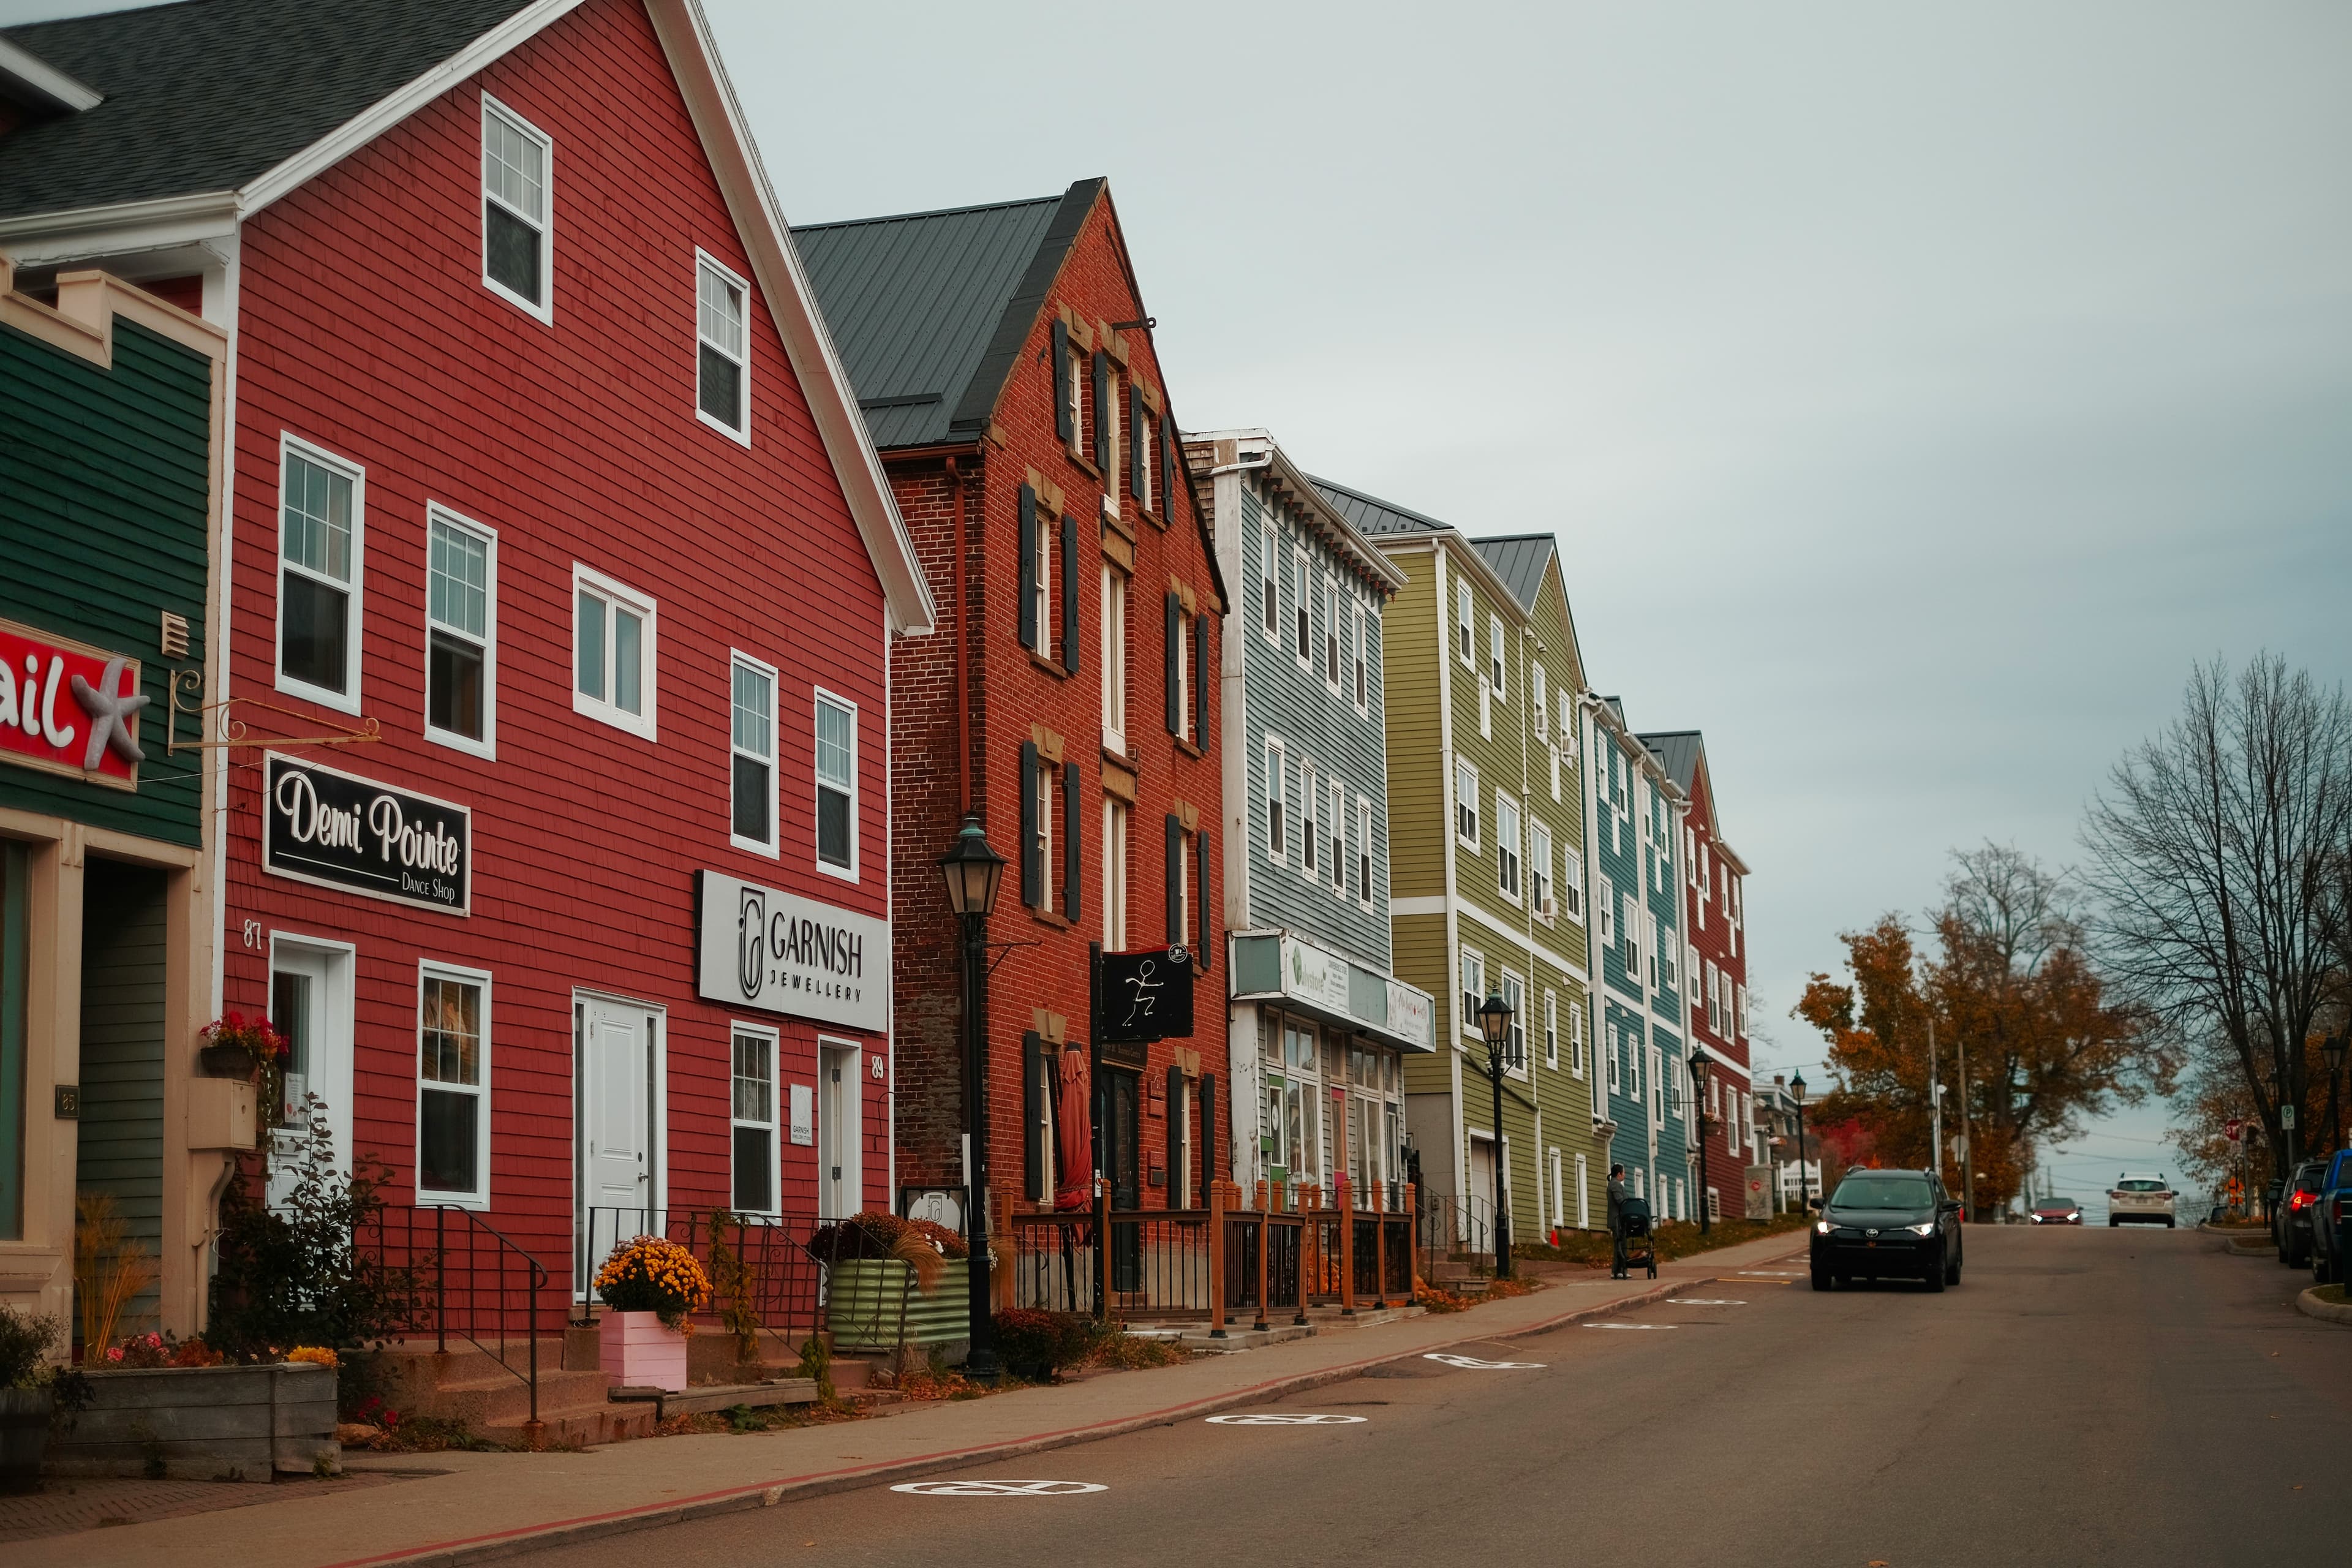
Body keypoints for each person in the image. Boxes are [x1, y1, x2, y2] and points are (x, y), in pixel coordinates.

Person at [1607, 1163, 1629, 1278]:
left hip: (1619, 1220)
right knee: (1620, 1245)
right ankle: (1618, 1271)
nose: (1625, 1175)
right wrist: (1629, 1205)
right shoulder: (1615, 1185)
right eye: (1623, 1173)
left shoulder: (1615, 1184)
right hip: (1617, 1220)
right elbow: (1620, 1201)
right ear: (1619, 1174)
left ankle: (1620, 1270)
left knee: (1621, 1244)